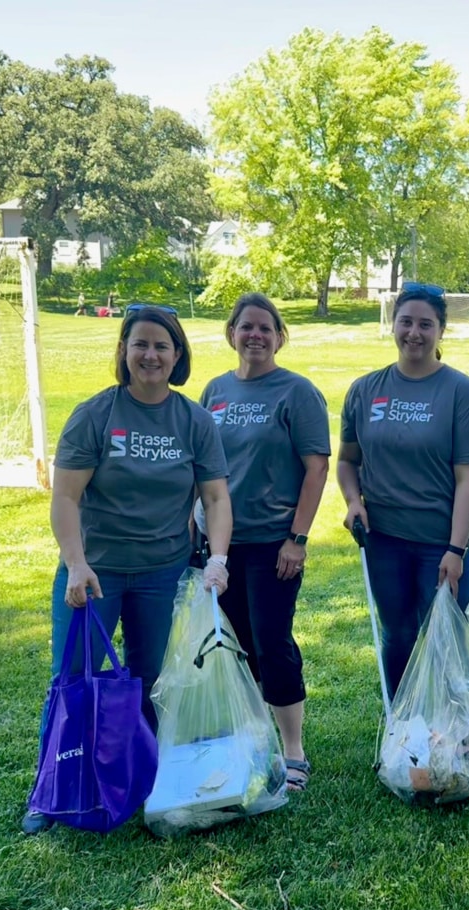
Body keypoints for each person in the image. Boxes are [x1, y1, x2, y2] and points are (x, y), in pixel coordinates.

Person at [22, 303, 232, 834]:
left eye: (162, 345)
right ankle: (53, 789)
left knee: (150, 679)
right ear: (123, 351)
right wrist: (75, 564)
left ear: (177, 354)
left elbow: (216, 496)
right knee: (73, 678)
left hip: (162, 573)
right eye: (140, 344)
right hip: (95, 574)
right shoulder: (96, 415)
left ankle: (142, 779)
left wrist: (219, 559)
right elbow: (66, 498)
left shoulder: (193, 420)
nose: (151, 354)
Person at [199, 293, 330, 793]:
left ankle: (293, 749)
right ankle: (249, 740)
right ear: (231, 333)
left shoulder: (297, 392)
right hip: (220, 545)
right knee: (233, 646)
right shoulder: (215, 391)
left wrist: (297, 538)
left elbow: (316, 467)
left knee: (273, 643)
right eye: (246, 327)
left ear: (279, 337)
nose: (254, 335)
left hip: (274, 543)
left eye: (265, 328)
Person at [337, 283, 469, 697]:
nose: (414, 333)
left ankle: (454, 735)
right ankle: (402, 729)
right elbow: (348, 460)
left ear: (442, 330)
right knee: (398, 636)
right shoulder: (365, 390)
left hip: (441, 544)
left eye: (426, 324)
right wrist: (353, 502)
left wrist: (456, 552)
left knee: (449, 642)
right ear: (393, 325)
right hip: (384, 540)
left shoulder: (462, 392)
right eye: (406, 322)